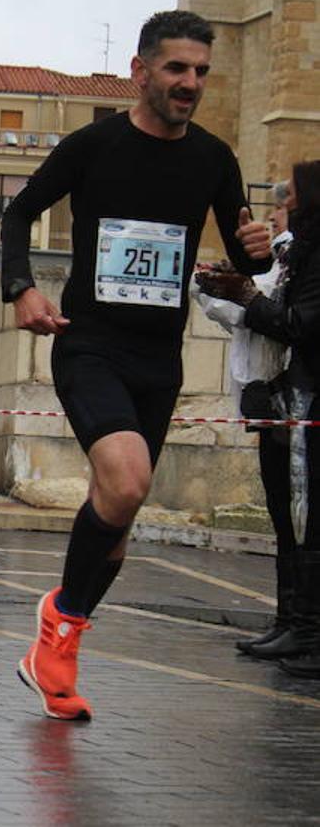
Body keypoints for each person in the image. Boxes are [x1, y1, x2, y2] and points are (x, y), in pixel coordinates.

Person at [0, 10, 273, 720]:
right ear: (142, 71)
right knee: (127, 481)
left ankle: (55, 648)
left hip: (160, 358)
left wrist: (259, 248)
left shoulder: (214, 158)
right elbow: (19, 214)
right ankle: (60, 627)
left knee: (117, 522)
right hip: (89, 341)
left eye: (201, 72)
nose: (190, 84)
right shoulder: (94, 145)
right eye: (178, 69)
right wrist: (21, 286)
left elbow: (248, 261)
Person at [198, 161, 320, 676]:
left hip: (309, 405)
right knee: (286, 516)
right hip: (286, 402)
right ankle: (292, 621)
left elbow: (300, 325)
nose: (279, 205)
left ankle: (309, 633)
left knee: (306, 519)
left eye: (288, 197)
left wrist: (246, 299)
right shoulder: (299, 254)